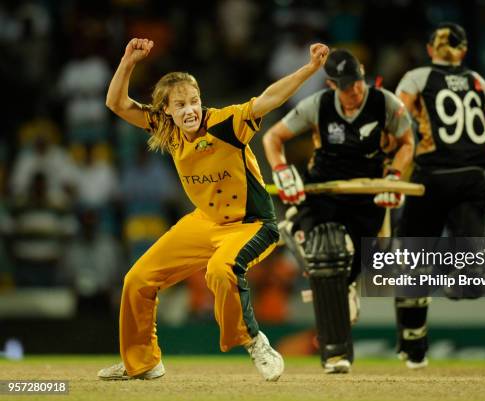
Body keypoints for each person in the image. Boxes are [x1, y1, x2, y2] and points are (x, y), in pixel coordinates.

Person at [98, 38, 330, 382]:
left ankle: (256, 342)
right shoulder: (167, 129)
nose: (190, 109)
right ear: (166, 111)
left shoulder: (226, 123)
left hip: (252, 224)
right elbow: (116, 103)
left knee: (221, 270)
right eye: (180, 104)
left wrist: (309, 69)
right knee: (137, 280)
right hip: (205, 223)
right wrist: (128, 61)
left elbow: (268, 99)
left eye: (194, 100)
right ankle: (142, 362)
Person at [262, 49, 415, 373]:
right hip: (326, 189)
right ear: (332, 84)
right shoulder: (318, 105)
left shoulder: (386, 103)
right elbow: (274, 137)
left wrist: (395, 175)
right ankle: (335, 353)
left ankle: (345, 289)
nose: (354, 91)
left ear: (363, 75)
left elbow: (406, 142)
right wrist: (281, 169)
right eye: (346, 86)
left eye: (357, 83)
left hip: (367, 192)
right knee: (324, 254)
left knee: (355, 265)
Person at [393, 23, 485, 369]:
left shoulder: (417, 77)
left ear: (431, 50)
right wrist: (470, 160)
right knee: (465, 286)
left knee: (412, 260)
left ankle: (413, 348)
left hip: (431, 178)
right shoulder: (477, 80)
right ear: (463, 51)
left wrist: (392, 157)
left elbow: (396, 119)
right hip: (474, 179)